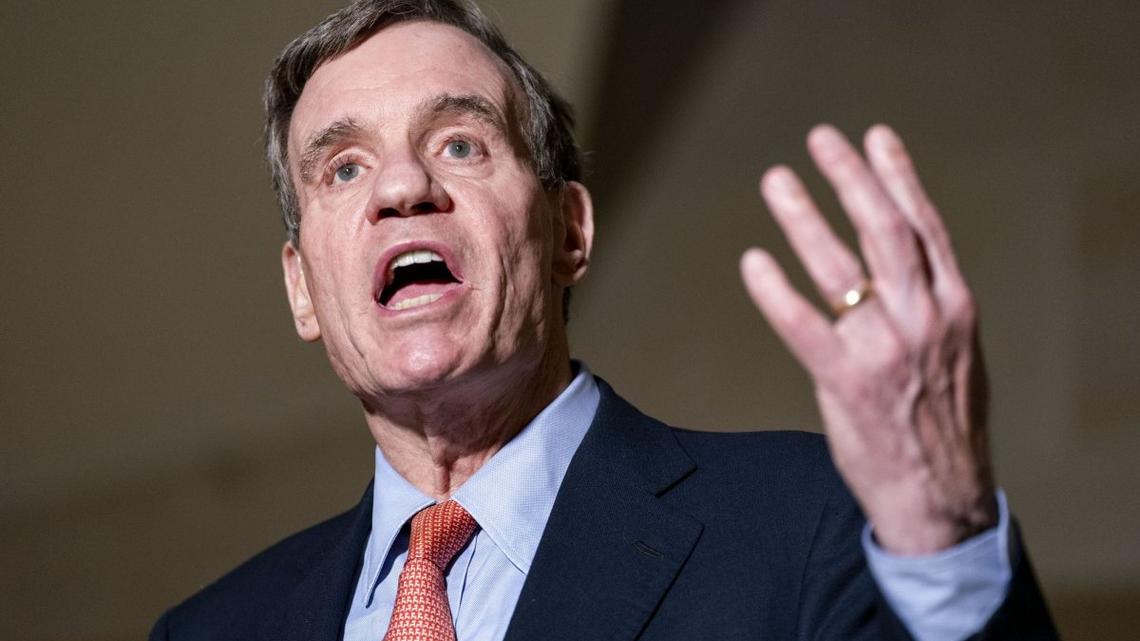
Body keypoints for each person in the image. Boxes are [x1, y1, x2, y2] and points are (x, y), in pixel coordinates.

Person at [150, 1, 1058, 640]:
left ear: (569, 230)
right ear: (302, 288)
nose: (401, 187)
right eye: (342, 167)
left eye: (460, 144)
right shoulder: (210, 626)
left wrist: (947, 556)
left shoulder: (820, 521)